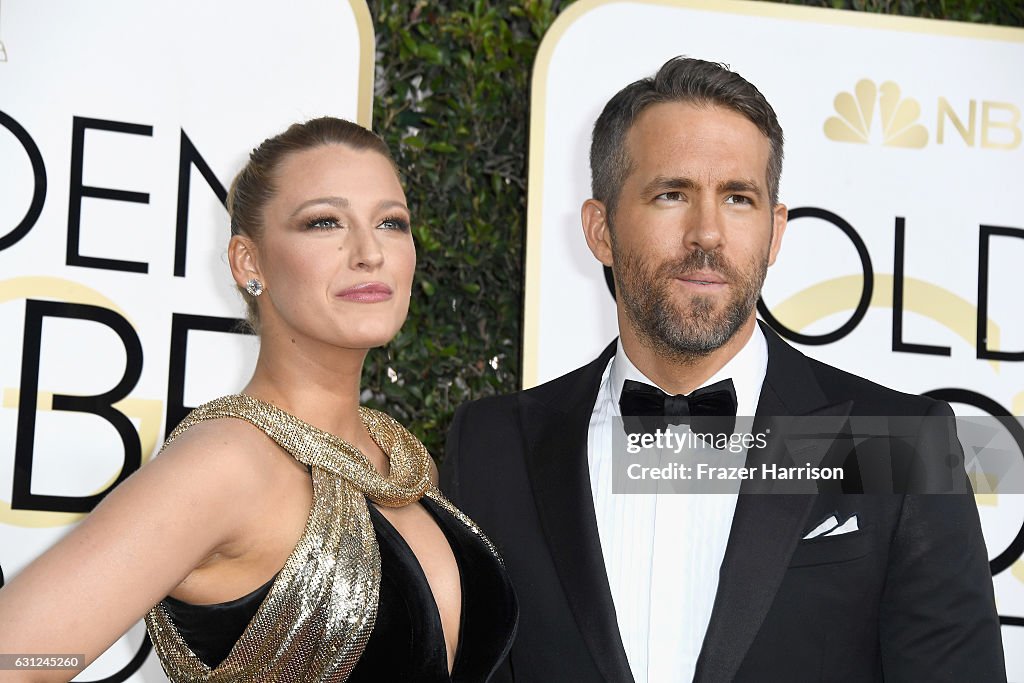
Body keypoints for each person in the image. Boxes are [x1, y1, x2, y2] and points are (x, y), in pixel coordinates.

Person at [440, 58, 1004, 682]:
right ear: (601, 230)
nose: (706, 233)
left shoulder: (898, 441)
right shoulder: (494, 446)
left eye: (738, 198)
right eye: (671, 194)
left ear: (774, 232)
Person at [0, 117, 516, 682]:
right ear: (249, 263)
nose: (371, 252)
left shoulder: (399, 460)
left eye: (391, 223)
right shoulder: (228, 463)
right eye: (325, 222)